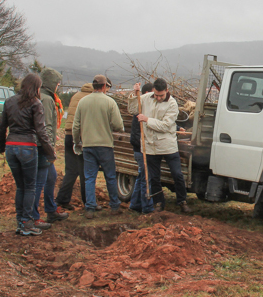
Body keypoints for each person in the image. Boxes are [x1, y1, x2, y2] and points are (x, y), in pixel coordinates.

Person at [0, 73, 56, 236]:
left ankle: (20, 221)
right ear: (36, 87)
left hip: (11, 147)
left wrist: (0, 146)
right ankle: (27, 222)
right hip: (27, 147)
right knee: (30, 186)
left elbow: (2, 127)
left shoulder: (9, 101)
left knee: (20, 186)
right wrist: (50, 152)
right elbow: (41, 131)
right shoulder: (35, 103)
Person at [72, 74, 124, 219]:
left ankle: (90, 208)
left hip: (88, 146)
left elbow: (76, 125)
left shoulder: (83, 102)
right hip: (105, 145)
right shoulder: (109, 102)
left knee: (89, 178)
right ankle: (114, 206)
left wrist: (77, 142)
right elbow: (118, 125)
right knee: (110, 177)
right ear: (103, 86)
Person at [137, 78, 191, 213]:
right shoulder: (146, 98)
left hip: (168, 145)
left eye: (161, 95)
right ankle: (159, 203)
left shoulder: (172, 104)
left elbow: (166, 126)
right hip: (150, 145)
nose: (158, 98)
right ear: (153, 91)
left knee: (177, 174)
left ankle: (182, 201)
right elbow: (132, 108)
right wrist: (135, 94)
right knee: (154, 177)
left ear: (167, 91)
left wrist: (147, 120)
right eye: (156, 95)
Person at [32, 67, 68, 228]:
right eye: (57, 83)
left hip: (42, 145)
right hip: (43, 148)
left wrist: (54, 135)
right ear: (51, 83)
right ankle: (33, 216)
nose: (58, 87)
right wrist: (49, 146)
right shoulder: (46, 99)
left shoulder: (43, 96)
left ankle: (51, 209)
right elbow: (45, 125)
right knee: (40, 181)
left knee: (51, 177)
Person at [55, 82, 93, 210]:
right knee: (84, 170)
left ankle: (62, 199)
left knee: (71, 170)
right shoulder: (90, 99)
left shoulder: (76, 96)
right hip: (80, 136)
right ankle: (87, 201)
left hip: (68, 135)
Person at [128, 82, 155, 214]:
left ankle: (134, 204)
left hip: (140, 146)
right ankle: (147, 208)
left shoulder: (146, 107)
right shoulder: (140, 108)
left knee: (141, 176)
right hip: (140, 148)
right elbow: (137, 133)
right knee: (146, 178)